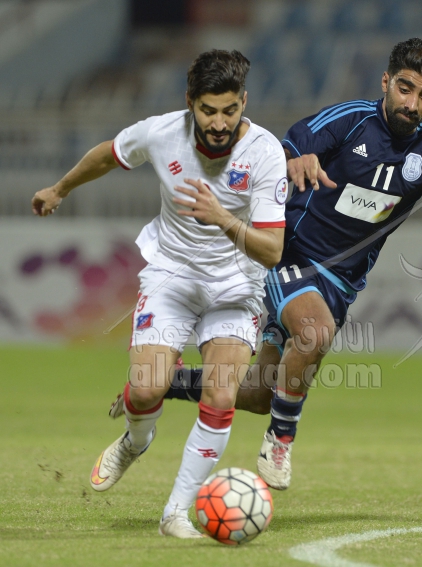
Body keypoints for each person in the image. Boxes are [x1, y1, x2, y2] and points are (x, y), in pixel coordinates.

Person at [111, 38, 422, 491]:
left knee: (256, 394)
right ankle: (280, 441)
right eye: (405, 88)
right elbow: (279, 149)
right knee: (315, 332)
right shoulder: (349, 122)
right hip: (290, 255)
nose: (412, 103)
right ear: (386, 82)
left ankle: (166, 383)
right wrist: (297, 158)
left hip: (340, 285)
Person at [31, 50, 288, 538]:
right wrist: (60, 189)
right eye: (208, 111)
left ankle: (175, 514)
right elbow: (109, 153)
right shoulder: (160, 132)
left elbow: (272, 250)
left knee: (220, 395)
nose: (219, 123)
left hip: (236, 288)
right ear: (190, 102)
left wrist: (223, 218)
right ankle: (135, 440)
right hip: (172, 278)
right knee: (147, 388)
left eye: (230, 110)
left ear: (244, 102)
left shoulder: (266, 152)